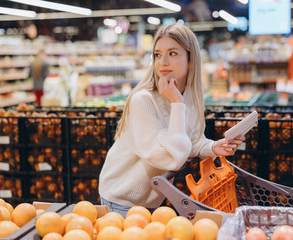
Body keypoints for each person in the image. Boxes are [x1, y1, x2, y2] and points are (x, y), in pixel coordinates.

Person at [99, 23, 245, 217]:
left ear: (191, 59)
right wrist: (177, 103)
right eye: (157, 55)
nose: (163, 62)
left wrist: (212, 148)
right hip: (122, 201)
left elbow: (190, 140)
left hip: (152, 199)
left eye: (173, 53)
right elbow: (173, 158)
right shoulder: (143, 100)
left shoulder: (189, 96)